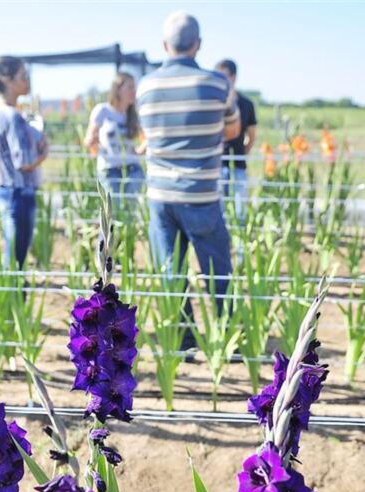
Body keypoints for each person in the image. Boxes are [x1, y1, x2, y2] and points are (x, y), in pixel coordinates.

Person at [137, 11, 241, 350]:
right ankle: (228, 338)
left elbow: (149, 134)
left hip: (161, 194)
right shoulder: (217, 84)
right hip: (201, 193)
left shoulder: (146, 86)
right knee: (217, 269)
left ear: (164, 44)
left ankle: (184, 341)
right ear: (198, 44)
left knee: (171, 270)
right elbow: (233, 130)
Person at [0, 56, 48, 268]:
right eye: (23, 76)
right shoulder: (12, 116)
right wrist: (43, 154)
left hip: (8, 191)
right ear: (7, 80)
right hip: (19, 193)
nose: (28, 80)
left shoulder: (0, 112)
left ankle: (13, 289)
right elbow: (23, 162)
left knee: (12, 254)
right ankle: (14, 290)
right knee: (15, 257)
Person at [84, 72, 145, 206]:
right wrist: (94, 142)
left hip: (133, 169)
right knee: (112, 210)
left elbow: (147, 137)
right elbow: (88, 140)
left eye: (134, 87)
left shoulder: (135, 114)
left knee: (130, 210)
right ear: (118, 89)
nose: (133, 91)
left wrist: (139, 151)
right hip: (109, 169)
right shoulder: (103, 110)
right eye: (130, 87)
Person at [215, 59, 257, 222]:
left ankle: (239, 238)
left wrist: (242, 154)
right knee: (219, 209)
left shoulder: (246, 104)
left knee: (239, 210)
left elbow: (251, 136)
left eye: (223, 76)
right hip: (218, 164)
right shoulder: (214, 104)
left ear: (233, 77)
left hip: (238, 165)